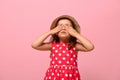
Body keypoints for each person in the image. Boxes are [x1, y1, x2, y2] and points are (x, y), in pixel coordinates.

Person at [31, 15, 94, 80]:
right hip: (54, 76)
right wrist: (50, 32)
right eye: (60, 26)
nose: (63, 28)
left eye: (67, 26)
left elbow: (90, 47)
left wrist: (75, 34)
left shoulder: (74, 46)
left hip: (70, 77)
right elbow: (35, 45)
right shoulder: (52, 45)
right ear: (55, 31)